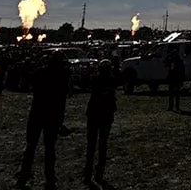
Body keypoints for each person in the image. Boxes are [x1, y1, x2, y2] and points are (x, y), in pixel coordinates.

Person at [16, 54, 72, 190]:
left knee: (30, 147)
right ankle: (50, 178)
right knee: (49, 148)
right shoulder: (63, 76)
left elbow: (26, 84)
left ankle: (24, 176)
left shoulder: (40, 72)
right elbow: (64, 98)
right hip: (52, 115)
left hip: (37, 113)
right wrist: (60, 119)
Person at [84, 59, 117, 185]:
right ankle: (99, 174)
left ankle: (88, 174)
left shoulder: (96, 80)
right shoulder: (111, 80)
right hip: (105, 115)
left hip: (94, 115)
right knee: (102, 146)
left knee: (91, 146)